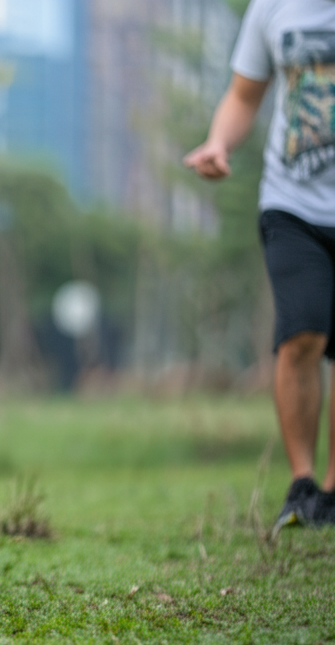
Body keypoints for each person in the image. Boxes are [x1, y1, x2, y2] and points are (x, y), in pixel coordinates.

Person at [183, 0, 335, 537]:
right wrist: (219, 143)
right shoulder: (273, 7)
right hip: (293, 202)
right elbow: (244, 94)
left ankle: (334, 493)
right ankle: (303, 481)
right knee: (303, 333)